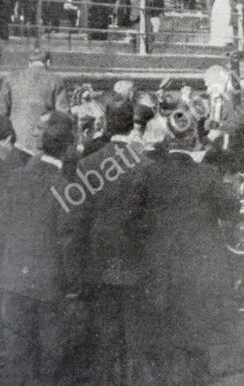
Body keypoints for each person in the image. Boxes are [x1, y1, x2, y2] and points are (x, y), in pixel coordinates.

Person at [139, 123, 240, 383]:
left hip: (161, 264)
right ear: (193, 140)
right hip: (199, 266)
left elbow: (137, 217)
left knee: (164, 331)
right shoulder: (207, 174)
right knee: (196, 331)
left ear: (167, 140)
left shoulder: (149, 174)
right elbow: (230, 211)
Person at [0, 111, 82, 385]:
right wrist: (73, 286)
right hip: (49, 286)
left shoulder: (14, 179)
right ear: (68, 148)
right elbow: (68, 241)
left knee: (15, 355)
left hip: (12, 280)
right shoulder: (66, 188)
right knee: (50, 358)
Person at [78, 98, 149, 384]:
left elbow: (80, 217)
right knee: (135, 328)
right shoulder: (143, 162)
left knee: (105, 326)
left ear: (106, 125)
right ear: (132, 126)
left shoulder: (88, 164)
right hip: (135, 254)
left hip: (100, 254)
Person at [0, 47, 70, 155]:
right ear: (48, 62)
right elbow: (62, 116)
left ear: (29, 63)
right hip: (41, 142)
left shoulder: (10, 78)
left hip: (14, 141)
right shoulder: (56, 80)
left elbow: (2, 112)